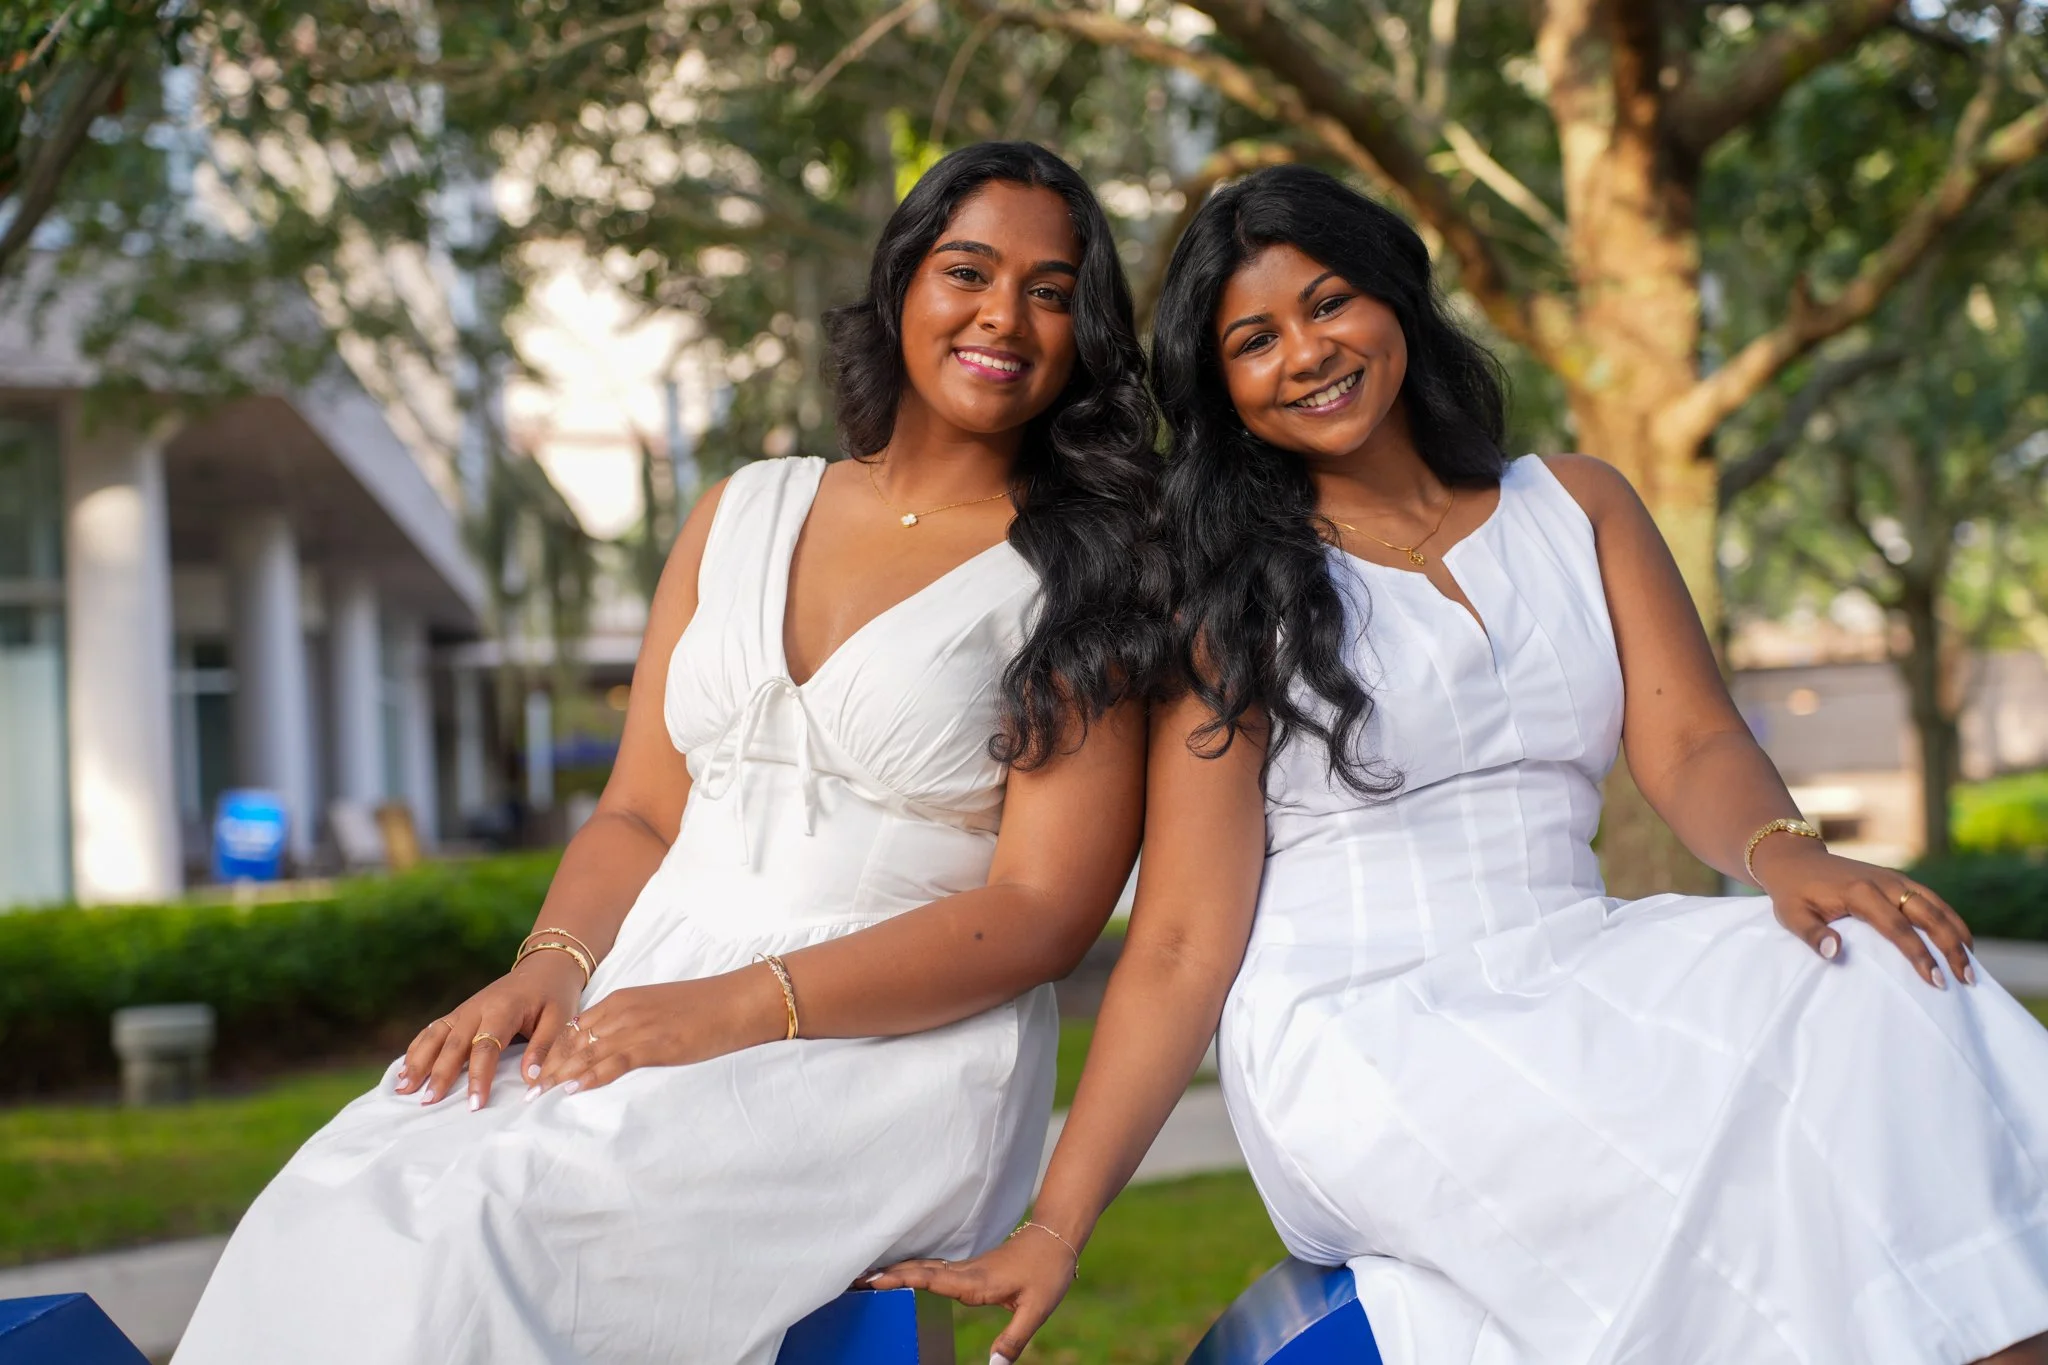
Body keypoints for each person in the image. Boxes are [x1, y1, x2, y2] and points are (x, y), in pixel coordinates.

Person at [877, 165, 2048, 1365]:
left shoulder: (1576, 506)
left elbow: (1692, 741)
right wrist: (1058, 1226)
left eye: (1328, 304)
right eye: (1252, 340)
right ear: (1219, 386)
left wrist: (1784, 854)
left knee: (1887, 978)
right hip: (1361, 1022)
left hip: (1572, 954)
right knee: (1719, 1129)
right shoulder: (1230, 594)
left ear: (1395, 297)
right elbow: (1177, 943)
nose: (1304, 353)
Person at [173, 141, 1165, 1365]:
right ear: (903, 281)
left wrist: (738, 1009)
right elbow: (641, 810)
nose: (1003, 316)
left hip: (885, 1041)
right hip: (640, 980)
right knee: (338, 1198)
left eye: (1052, 292)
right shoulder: (743, 506)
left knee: (489, 1232)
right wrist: (545, 966)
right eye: (967, 270)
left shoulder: (1087, 567)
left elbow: (1040, 914)